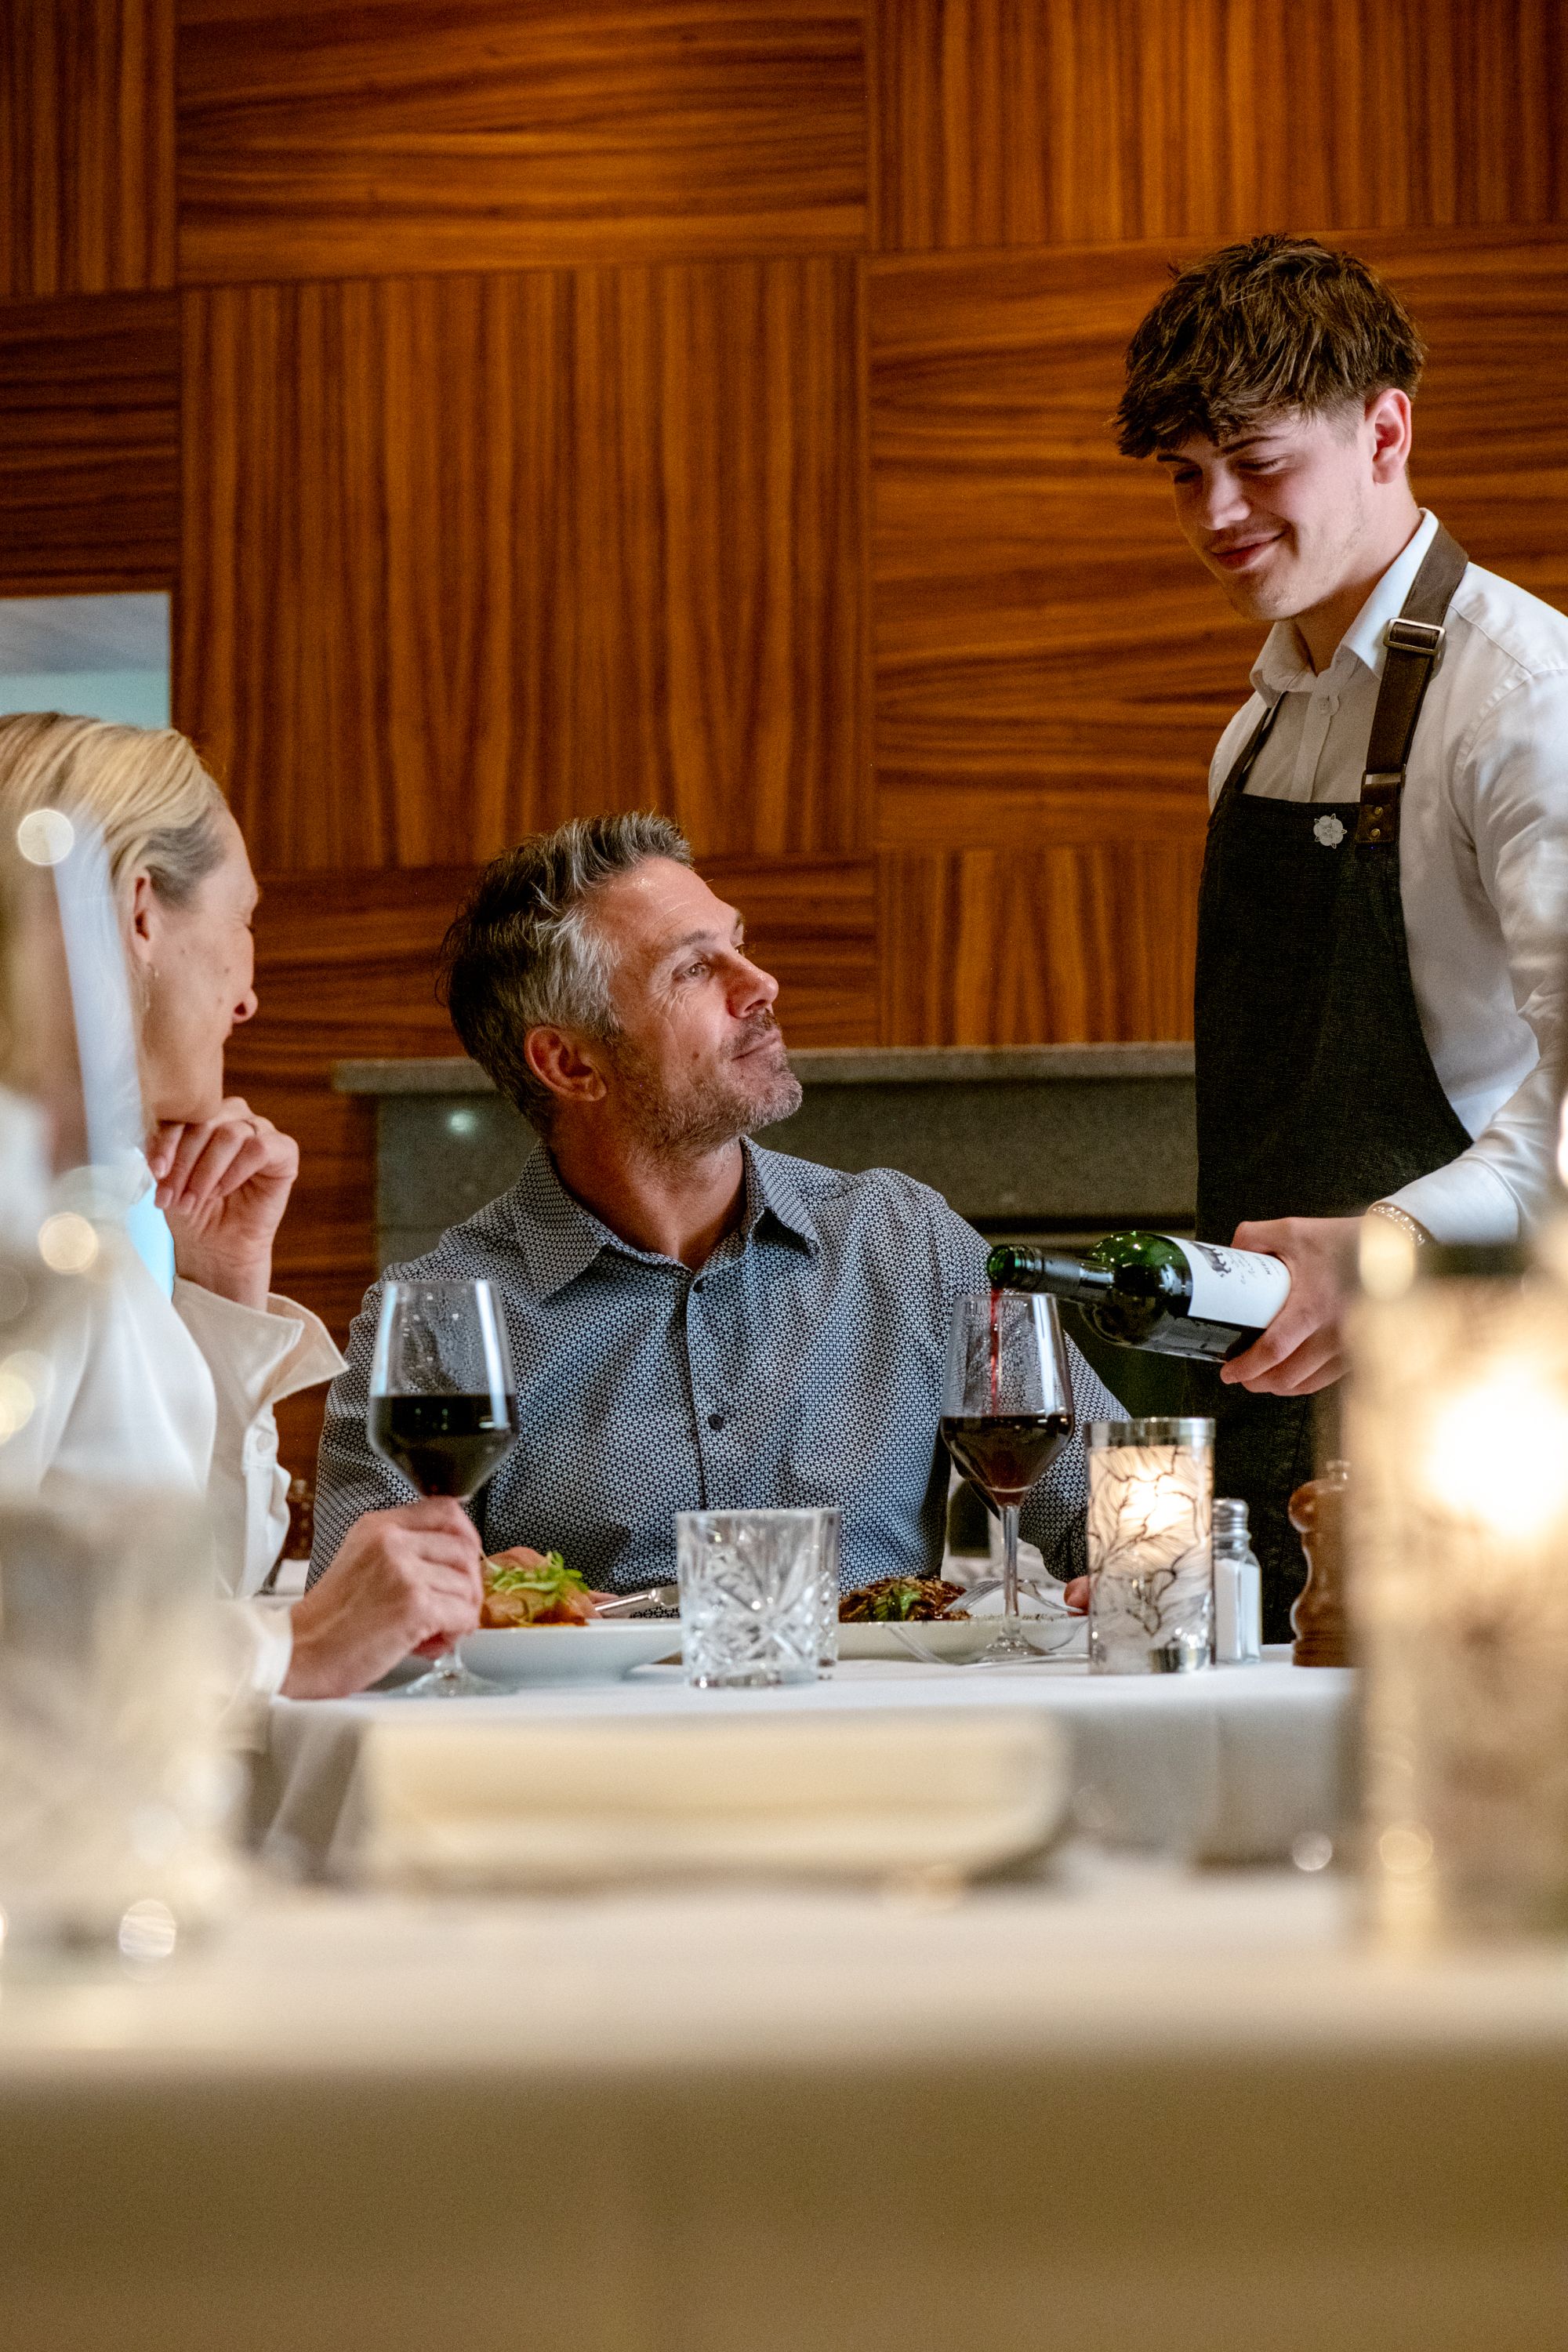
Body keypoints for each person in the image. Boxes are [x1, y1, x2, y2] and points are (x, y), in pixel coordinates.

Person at [311, 814, 1121, 1592]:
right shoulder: (434, 1321)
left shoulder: (904, 1240)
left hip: (876, 1727)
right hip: (598, 1735)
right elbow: (361, 1623)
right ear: (568, 1062)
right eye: (693, 970)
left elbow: (1117, 1512)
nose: (761, 984)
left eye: (737, 945)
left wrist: (1143, 1570)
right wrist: (482, 1597)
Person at [1116, 235, 1568, 1627]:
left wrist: (1377, 1249)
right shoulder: (1250, 738)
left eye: (1256, 460)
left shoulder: (1525, 701)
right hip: (1271, 1403)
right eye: (1188, 474)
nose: (1218, 511)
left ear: (1387, 431)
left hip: (1487, 1413)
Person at [0, 713, 485, 1708]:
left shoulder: (91, 1206)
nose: (248, 995)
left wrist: (218, 1286)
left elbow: (191, 1580)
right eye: (245, 920)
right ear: (141, 914)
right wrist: (294, 1647)